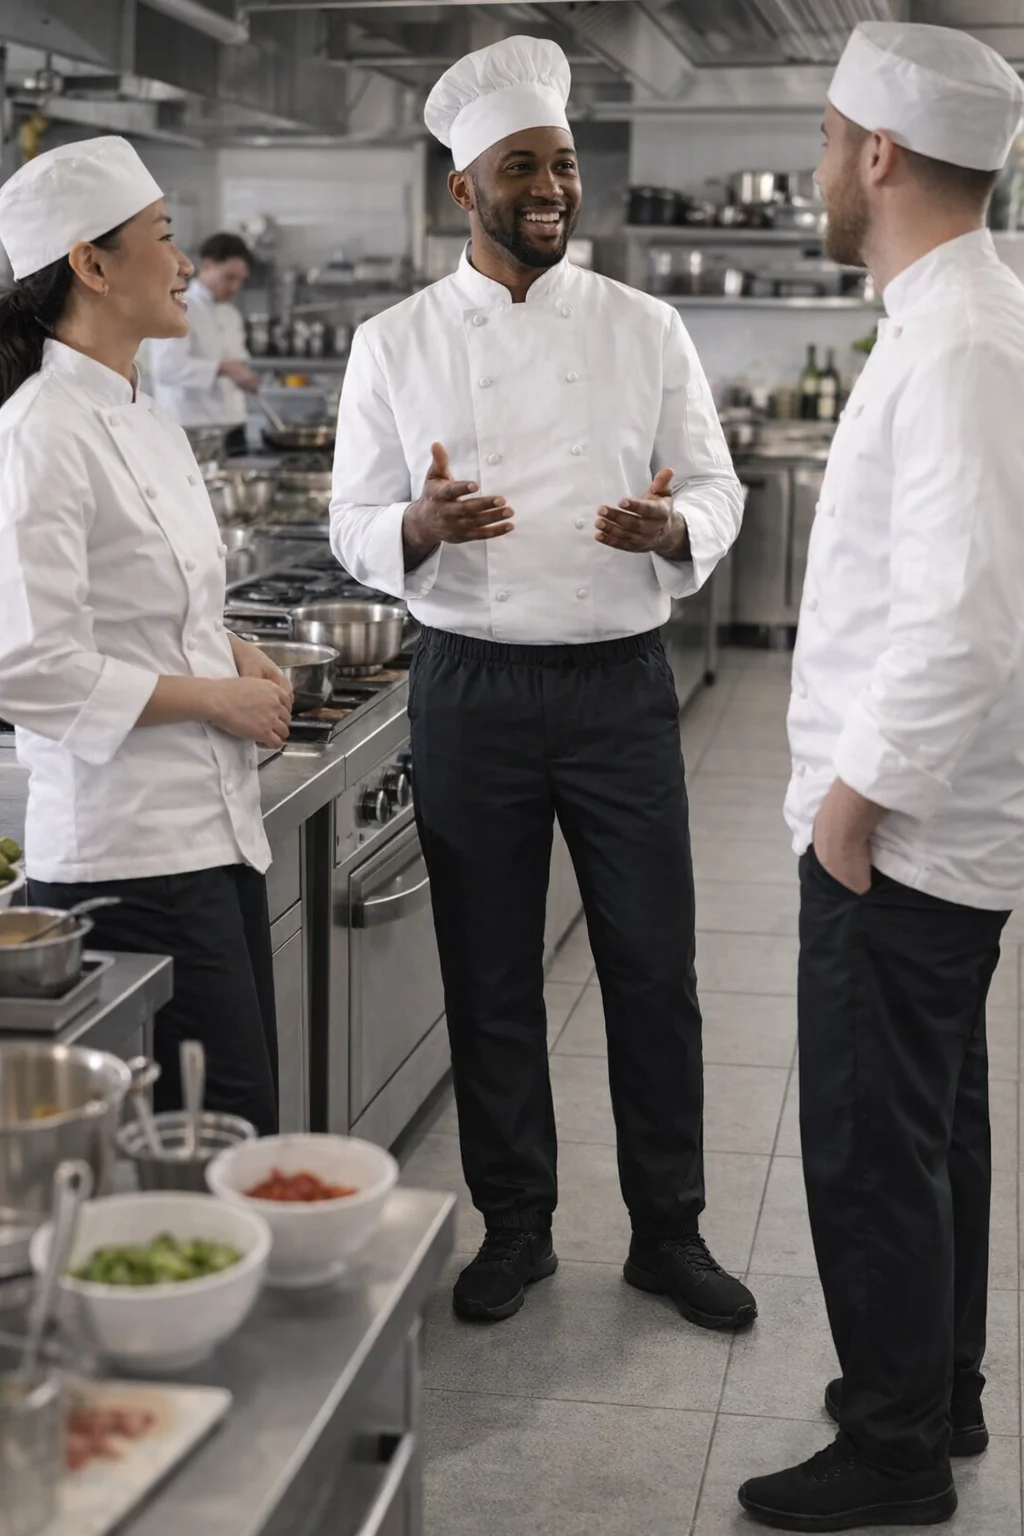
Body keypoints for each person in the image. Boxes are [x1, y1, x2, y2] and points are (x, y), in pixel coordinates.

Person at [331, 36, 753, 1331]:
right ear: (466, 189)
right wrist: (419, 527)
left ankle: (667, 1233)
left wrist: (675, 533)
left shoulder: (646, 325)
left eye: (563, 165)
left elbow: (717, 484)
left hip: (620, 683)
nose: (552, 189)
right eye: (524, 168)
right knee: (492, 974)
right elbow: (351, 519)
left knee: (652, 967)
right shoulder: (395, 342)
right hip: (472, 686)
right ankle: (516, 1228)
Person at [737, 22, 1024, 1533]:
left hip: (901, 837)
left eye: (829, 136)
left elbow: (967, 614)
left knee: (868, 1142)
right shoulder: (943, 316)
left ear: (883, 155)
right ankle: (943, 1394)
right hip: (922, 832)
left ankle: (894, 1445)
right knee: (930, 1130)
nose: (820, 165)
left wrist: (851, 811)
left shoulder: (967, 337)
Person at [0, 137, 293, 1134]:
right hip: (126, 859)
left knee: (240, 1120)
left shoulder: (147, 415)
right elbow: (28, 666)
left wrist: (230, 648)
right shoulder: (40, 432)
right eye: (163, 238)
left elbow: (153, 603)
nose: (181, 265)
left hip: (212, 838)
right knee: (211, 1137)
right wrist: (214, 695)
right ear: (91, 263)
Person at [149, 231, 259, 455]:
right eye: (229, 277)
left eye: (240, 280)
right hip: (191, 429)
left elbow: (235, 360)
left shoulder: (231, 313)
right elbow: (165, 368)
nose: (235, 287)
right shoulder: (178, 307)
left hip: (233, 424)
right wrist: (223, 368)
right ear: (207, 265)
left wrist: (242, 374)